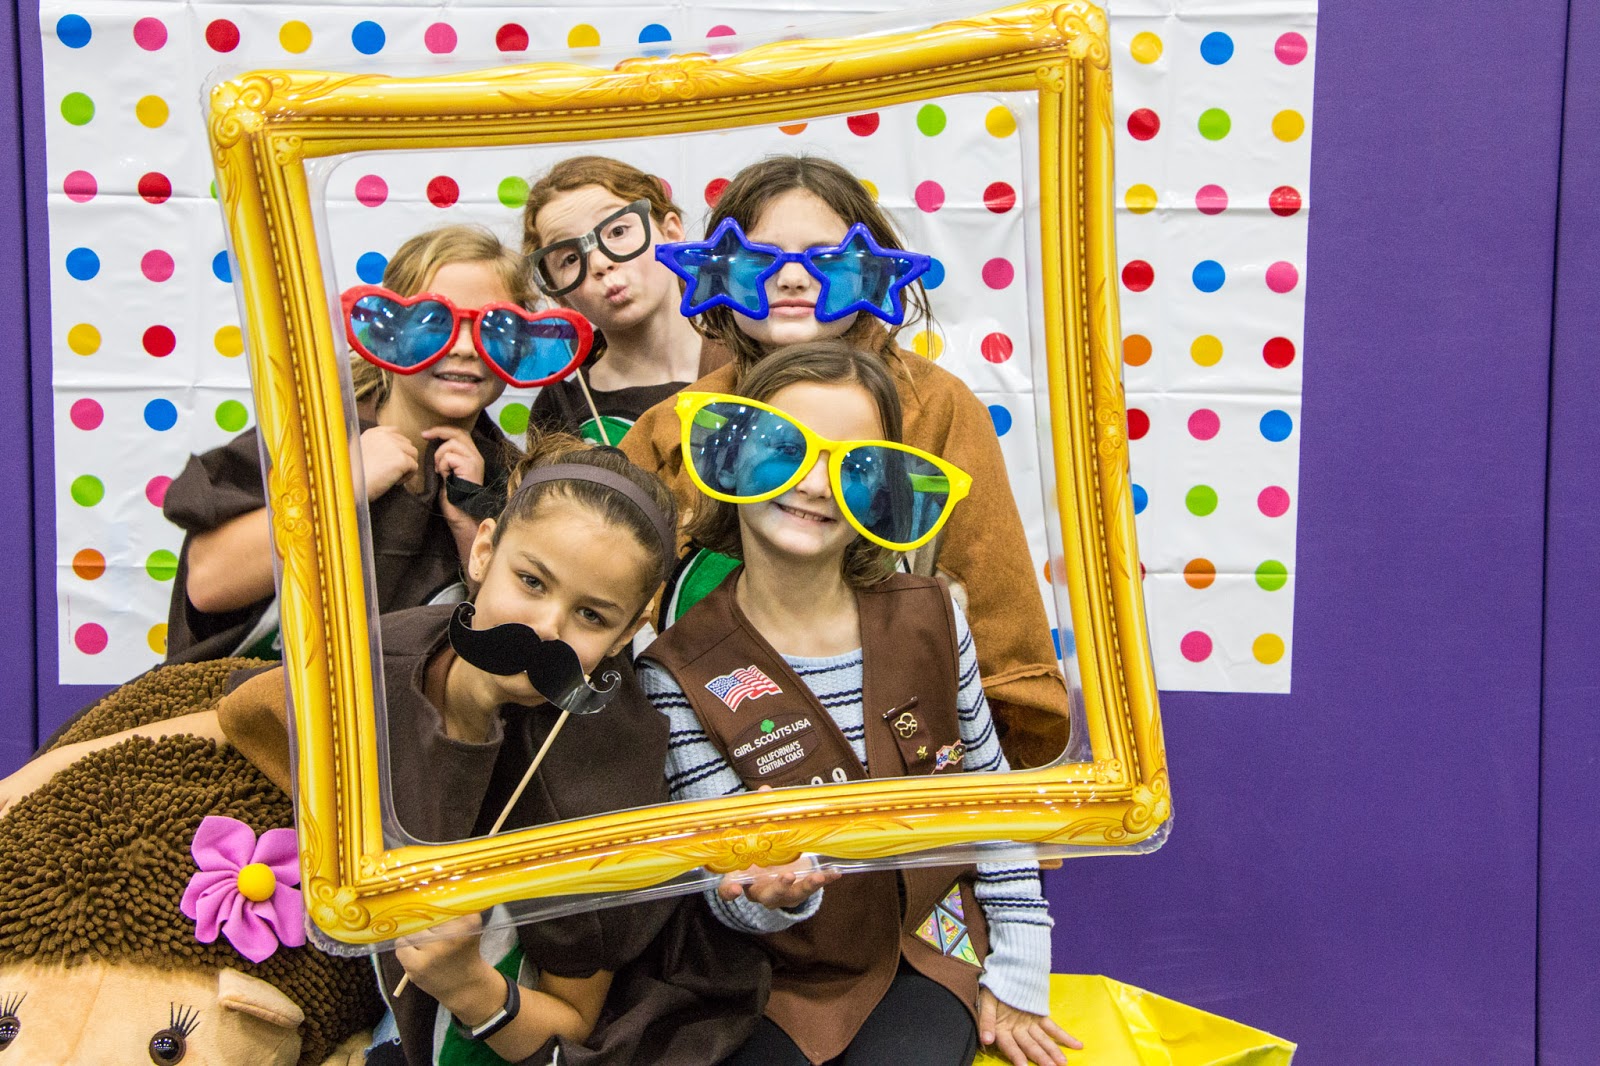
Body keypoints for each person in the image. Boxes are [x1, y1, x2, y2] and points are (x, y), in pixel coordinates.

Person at [13, 439, 767, 1066]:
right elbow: (241, 715)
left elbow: (572, 1021)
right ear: (483, 549)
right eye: (530, 581)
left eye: (590, 614)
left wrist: (470, 984)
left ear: (631, 626)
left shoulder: (603, 772)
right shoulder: (373, 659)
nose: (544, 628)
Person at [637, 341, 1080, 1066]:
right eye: (784, 450)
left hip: (926, 958)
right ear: (729, 460)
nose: (814, 484)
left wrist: (1022, 968)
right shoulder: (677, 671)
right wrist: (763, 893)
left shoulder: (935, 617)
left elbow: (994, 803)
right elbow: (723, 885)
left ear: (884, 491)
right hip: (762, 980)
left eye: (852, 465)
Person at [624, 155, 1072, 769]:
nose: (791, 279)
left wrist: (993, 814)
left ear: (872, 272)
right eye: (761, 257)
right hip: (718, 760)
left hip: (910, 759)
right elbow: (616, 607)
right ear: (721, 272)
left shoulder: (935, 408)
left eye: (826, 260)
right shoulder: (674, 425)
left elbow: (999, 630)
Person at [162, 224, 527, 664]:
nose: (467, 347)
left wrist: (472, 530)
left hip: (408, 725)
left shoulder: (514, 478)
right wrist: (340, 486)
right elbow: (209, 584)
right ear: (388, 334)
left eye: (496, 328)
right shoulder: (311, 436)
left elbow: (510, 648)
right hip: (240, 704)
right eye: (434, 323)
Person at [521, 155, 729, 445]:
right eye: (569, 259)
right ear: (558, 292)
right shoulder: (561, 408)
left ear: (671, 233)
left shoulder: (748, 365)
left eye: (618, 231)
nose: (600, 263)